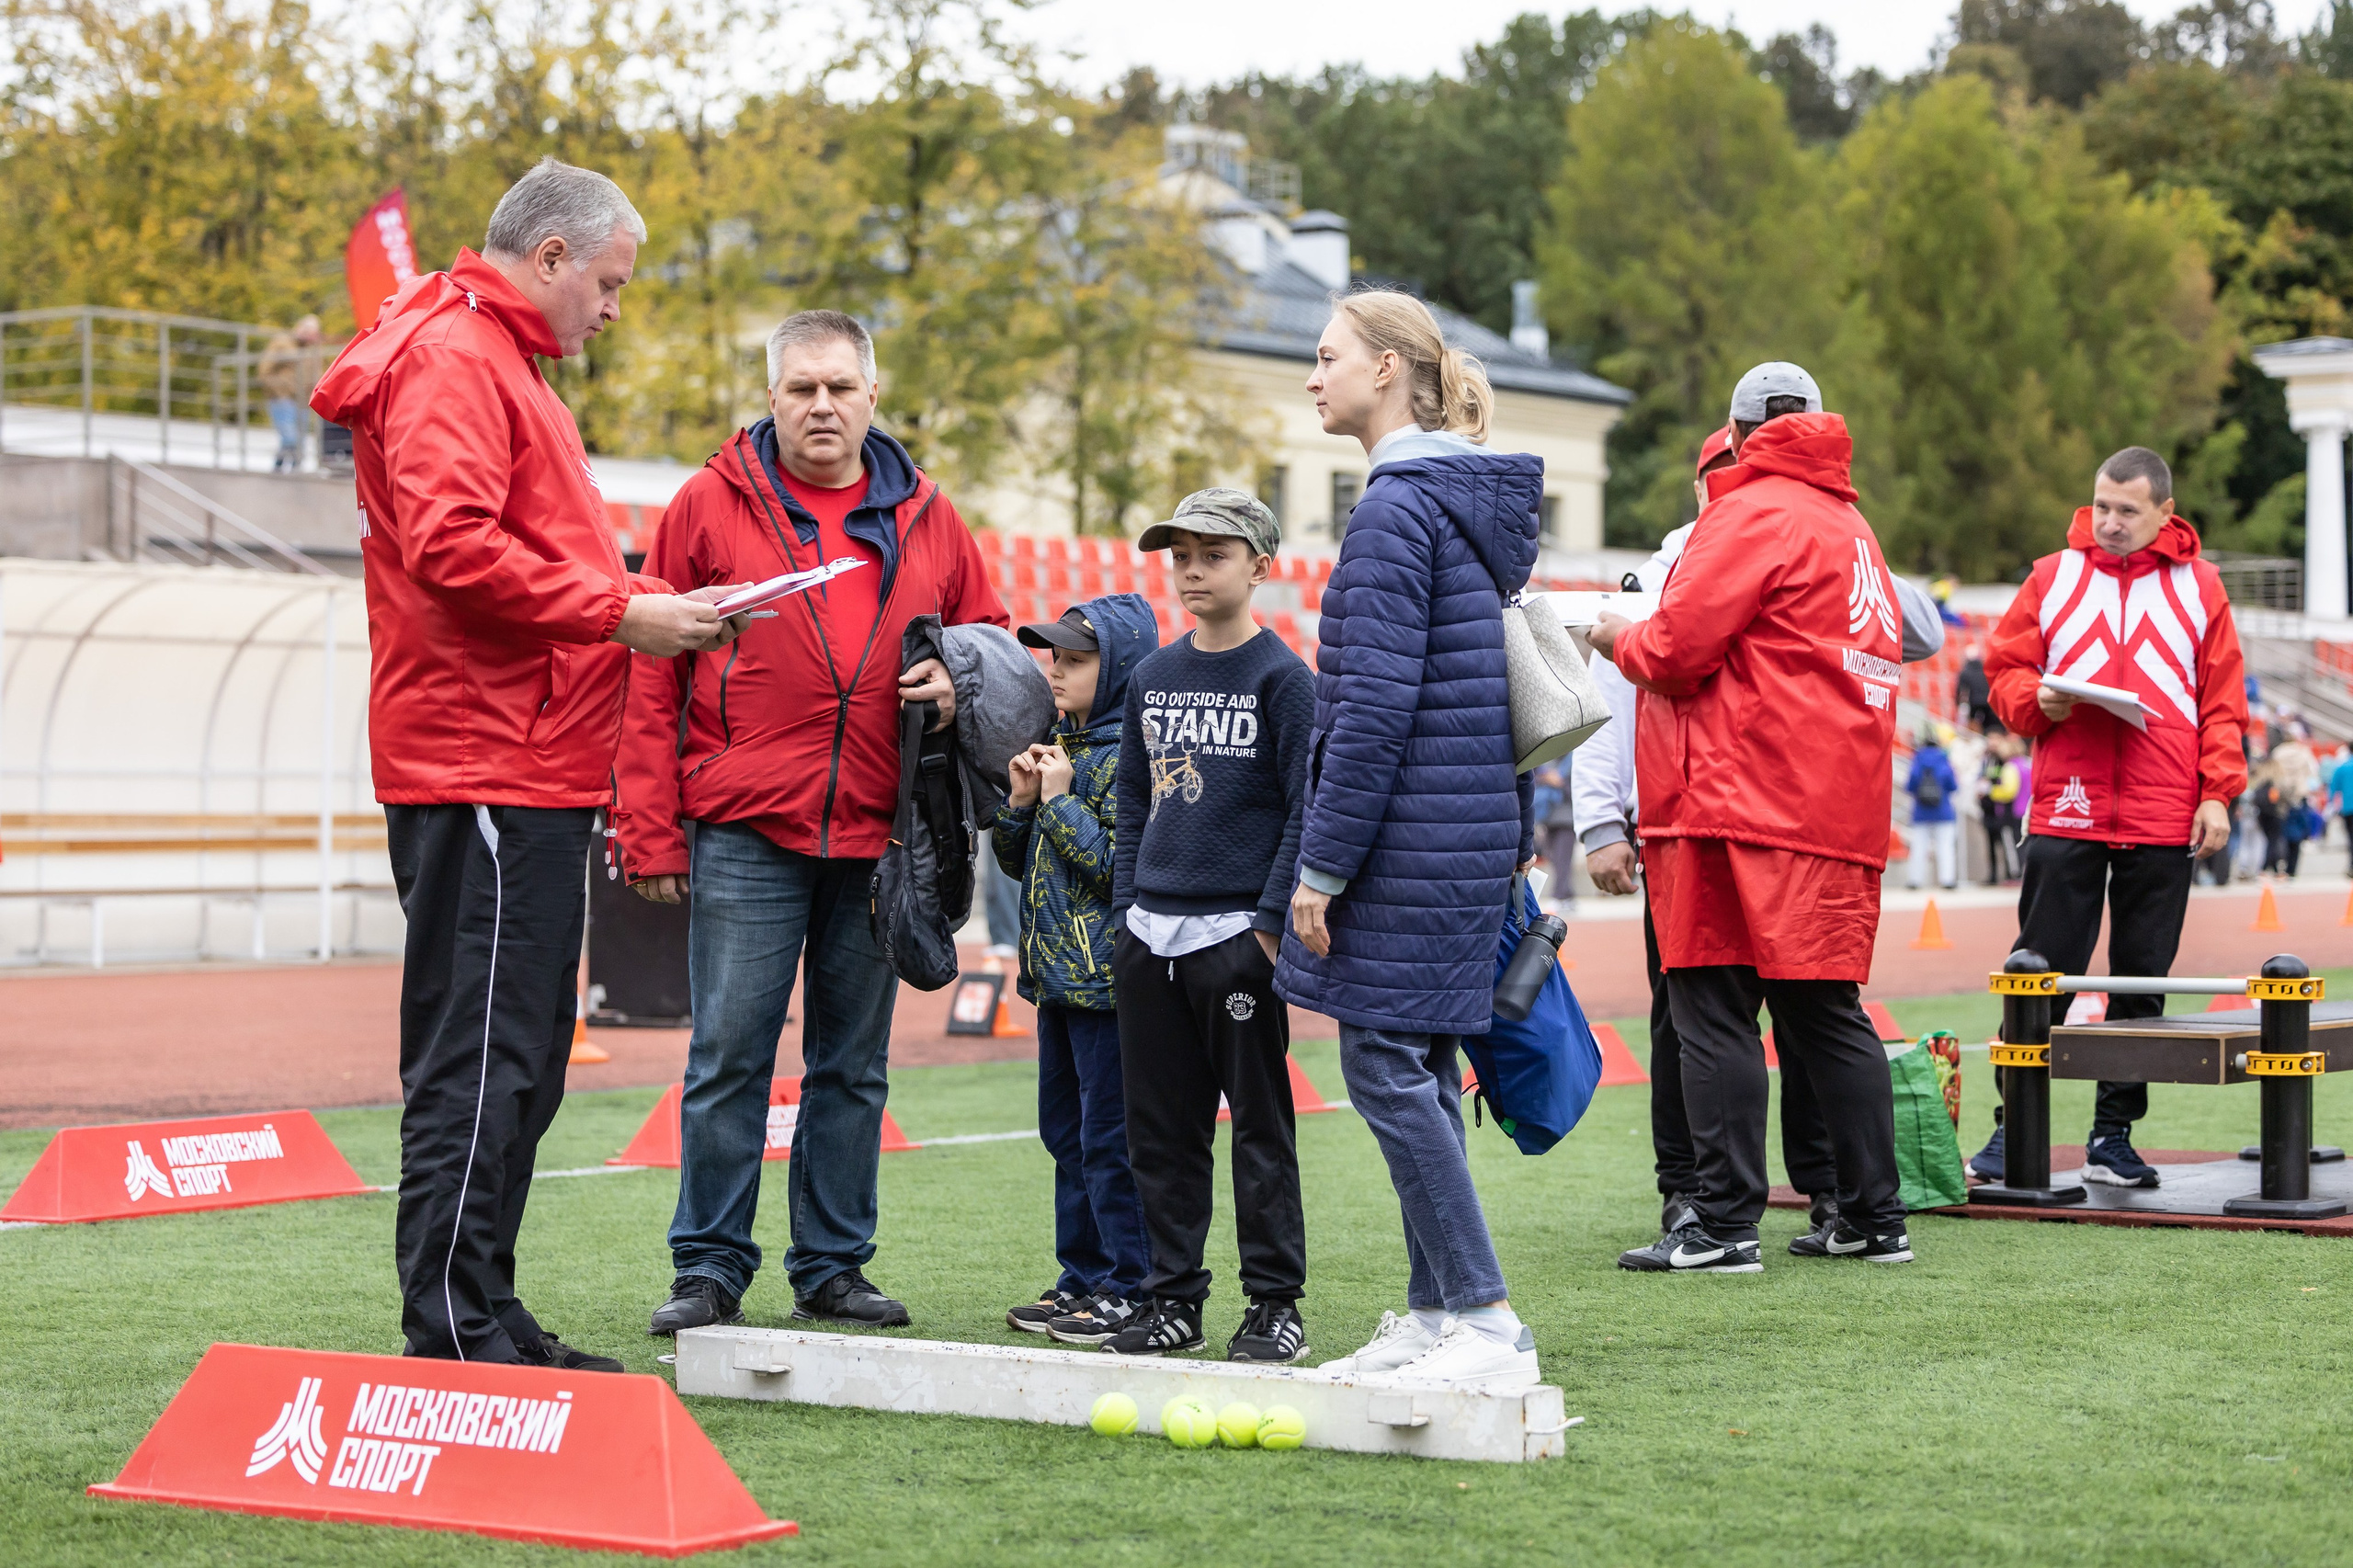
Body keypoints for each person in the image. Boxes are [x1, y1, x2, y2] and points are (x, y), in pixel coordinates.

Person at [310, 158, 739, 1368]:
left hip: (522, 755)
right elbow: (452, 548)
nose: (614, 307)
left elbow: (519, 551)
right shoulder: (457, 356)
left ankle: (480, 1302)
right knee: (486, 1050)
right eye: (608, 282)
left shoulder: (488, 358)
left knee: (521, 1051)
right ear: (549, 256)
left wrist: (651, 600)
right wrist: (623, 612)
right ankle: (452, 1321)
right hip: (484, 757)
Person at [613, 309, 1007, 1335]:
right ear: (773, 397)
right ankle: (707, 1267)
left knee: (853, 1063)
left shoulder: (928, 513)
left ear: (874, 395)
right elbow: (651, 677)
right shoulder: (707, 503)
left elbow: (994, 642)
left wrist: (960, 682)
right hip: (746, 826)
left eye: (840, 387)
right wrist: (649, 829)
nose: (821, 405)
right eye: (801, 388)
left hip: (879, 830)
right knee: (728, 1054)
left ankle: (831, 1265)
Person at [1591, 417, 1946, 1271]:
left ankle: (1720, 1222)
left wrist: (1615, 636)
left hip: (1733, 799)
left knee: (1710, 1007)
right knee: (1827, 1015)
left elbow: (1674, 651)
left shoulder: (1750, 515)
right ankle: (1872, 1214)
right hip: (1833, 804)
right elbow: (1915, 631)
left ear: (1741, 444)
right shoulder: (1850, 524)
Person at [1278, 289, 1540, 1390]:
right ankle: (1437, 1314)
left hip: (1410, 834)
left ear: (1388, 368)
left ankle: (1482, 1318)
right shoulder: (1449, 500)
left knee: (1385, 1064)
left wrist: (1320, 866)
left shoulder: (1396, 507)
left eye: (1328, 356)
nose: (1312, 376)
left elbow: (1372, 706)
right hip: (1460, 825)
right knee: (1421, 1064)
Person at [1972, 447, 2246, 1188]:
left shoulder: (2201, 586)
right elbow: (2004, 672)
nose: (2111, 523)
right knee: (2038, 975)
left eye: (2128, 510)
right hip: (2068, 803)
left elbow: (2222, 702)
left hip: (2164, 812)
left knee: (2141, 985)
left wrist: (2218, 791)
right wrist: (2039, 702)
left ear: (2165, 510)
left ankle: (2112, 1135)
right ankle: (2012, 1130)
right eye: (2101, 506)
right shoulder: (2052, 576)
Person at [1104, 488, 1315, 1364]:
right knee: (1160, 1132)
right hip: (1148, 936)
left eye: (1214, 554)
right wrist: (1124, 914)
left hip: (1236, 938)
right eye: (1180, 555)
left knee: (1260, 1127)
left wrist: (1266, 928)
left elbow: (1307, 811)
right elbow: (1129, 798)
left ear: (1259, 566)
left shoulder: (1285, 680)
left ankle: (1273, 1304)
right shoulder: (1150, 675)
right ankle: (1171, 1301)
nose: (1192, 570)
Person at [995, 596, 1158, 1346]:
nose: (1055, 669)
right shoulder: (1065, 744)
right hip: (1057, 984)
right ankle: (1082, 1280)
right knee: (1066, 1135)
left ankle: (1131, 1284)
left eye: (1076, 658)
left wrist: (1058, 802)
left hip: (1109, 988)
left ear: (1118, 667)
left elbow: (1119, 871)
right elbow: (1015, 864)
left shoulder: (1139, 755)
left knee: (1110, 1140)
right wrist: (1024, 805)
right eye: (1053, 656)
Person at [258, 314, 324, 471]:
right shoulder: (282, 343)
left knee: (299, 439)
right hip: (283, 398)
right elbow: (265, 369)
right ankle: (289, 467)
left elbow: (319, 374)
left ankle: (281, 467)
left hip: (303, 400)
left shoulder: (313, 349)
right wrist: (277, 390)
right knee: (290, 438)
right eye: (308, 331)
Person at [1905, 724, 1961, 891]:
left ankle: (1915, 880)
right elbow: (1953, 786)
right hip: (1943, 811)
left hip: (1921, 812)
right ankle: (1947, 880)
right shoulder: (1944, 761)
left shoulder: (1917, 760)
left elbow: (1910, 785)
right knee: (1945, 847)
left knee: (1918, 848)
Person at [1980, 735, 2022, 885]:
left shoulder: (2010, 766)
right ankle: (2007, 874)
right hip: (2011, 811)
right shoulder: (2023, 763)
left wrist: (1991, 791)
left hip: (2008, 811)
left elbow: (2008, 790)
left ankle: (2014, 874)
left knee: (2010, 844)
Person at [2327, 746, 2353, 875]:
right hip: (2348, 806)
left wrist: (2331, 805)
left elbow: (2333, 788)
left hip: (2348, 807)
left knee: (2351, 837)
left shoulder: (2342, 767)